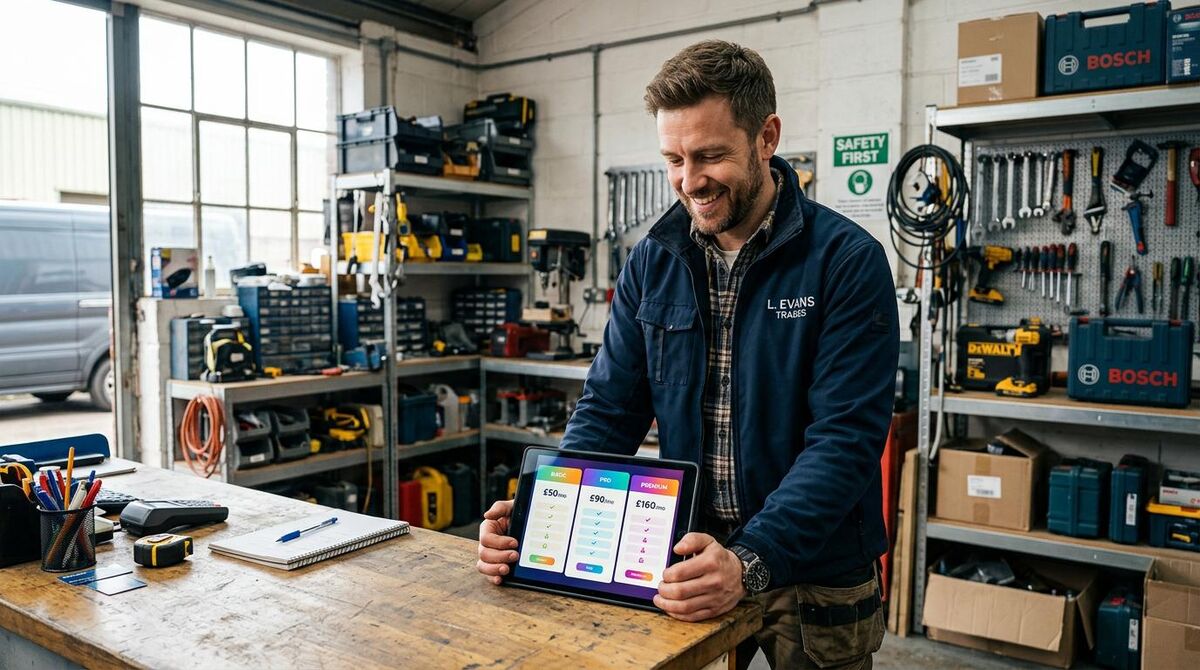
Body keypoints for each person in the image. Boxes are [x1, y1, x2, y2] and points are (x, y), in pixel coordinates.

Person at [477, 39, 899, 670]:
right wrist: (542, 515)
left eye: (710, 156)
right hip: (685, 553)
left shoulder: (846, 262)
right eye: (673, 159)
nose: (689, 181)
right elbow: (610, 408)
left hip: (815, 567)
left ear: (766, 137)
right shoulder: (655, 260)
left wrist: (750, 560)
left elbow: (844, 442)